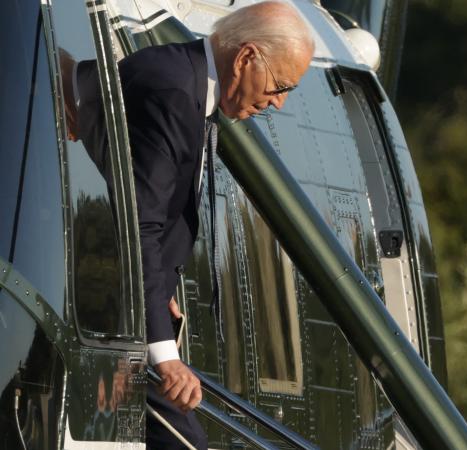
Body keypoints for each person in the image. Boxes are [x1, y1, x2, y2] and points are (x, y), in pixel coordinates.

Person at [65, 2, 315, 448]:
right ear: (245, 58)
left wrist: (160, 293)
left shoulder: (185, 81)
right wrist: (165, 354)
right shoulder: (174, 92)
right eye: (280, 86)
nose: (279, 102)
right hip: (112, 315)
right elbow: (137, 224)